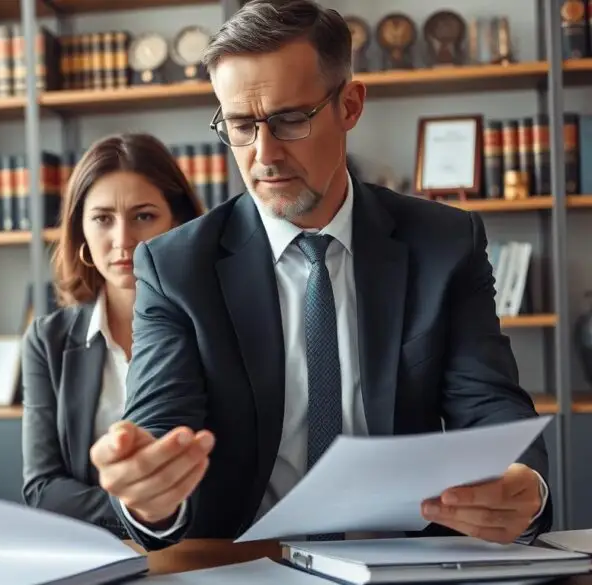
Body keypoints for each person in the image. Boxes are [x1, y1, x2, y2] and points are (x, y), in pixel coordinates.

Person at [89, 0, 551, 552]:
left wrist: (526, 488)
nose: (265, 155)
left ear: (350, 105)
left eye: (290, 120)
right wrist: (149, 494)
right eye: (240, 125)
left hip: (404, 561)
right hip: (244, 563)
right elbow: (160, 428)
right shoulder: (175, 267)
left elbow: (490, 407)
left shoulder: (444, 244)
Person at [20, 133, 205, 537]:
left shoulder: (214, 325)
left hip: (201, 550)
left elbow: (229, 474)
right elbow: (42, 489)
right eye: (103, 218)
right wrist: (139, 507)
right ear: (81, 230)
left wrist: (152, 504)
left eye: (143, 216)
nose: (123, 241)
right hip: (92, 556)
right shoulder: (45, 340)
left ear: (178, 222)